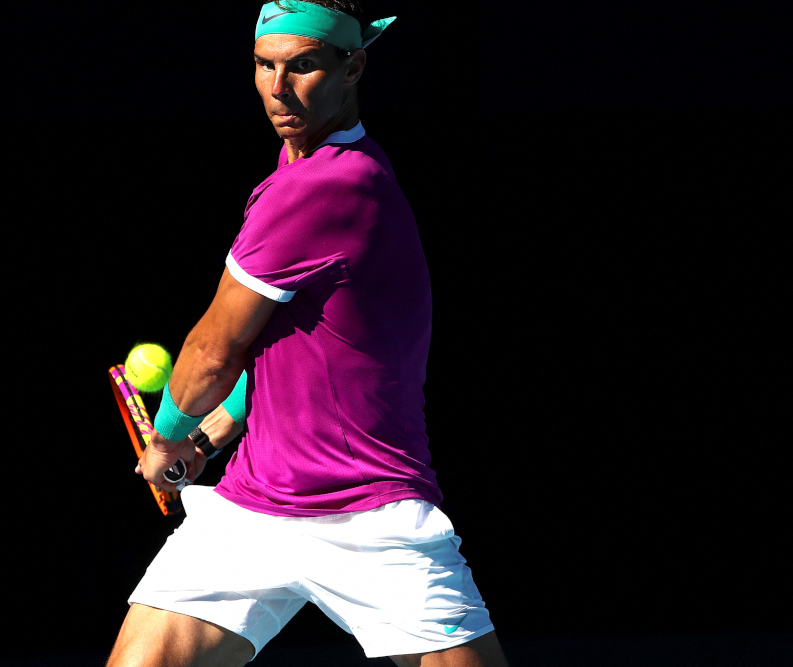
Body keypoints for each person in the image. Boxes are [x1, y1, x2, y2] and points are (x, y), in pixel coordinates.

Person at [108, 3, 509, 666]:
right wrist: (210, 436)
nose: (277, 87)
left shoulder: (325, 187)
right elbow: (286, 351)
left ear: (353, 67)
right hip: (255, 507)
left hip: (370, 511)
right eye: (265, 65)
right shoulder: (310, 173)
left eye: (302, 66)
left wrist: (170, 436)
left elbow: (212, 351)